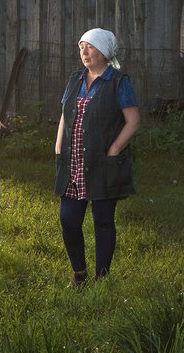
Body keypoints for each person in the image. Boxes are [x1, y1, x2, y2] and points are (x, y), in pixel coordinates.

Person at [54, 28, 141, 286]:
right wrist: (59, 145)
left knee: (103, 221)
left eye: (90, 46)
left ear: (104, 51)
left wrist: (114, 150)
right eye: (81, 46)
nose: (84, 52)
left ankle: (101, 277)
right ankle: (78, 274)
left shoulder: (118, 81)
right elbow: (64, 113)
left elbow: (133, 121)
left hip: (103, 162)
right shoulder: (75, 79)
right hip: (73, 163)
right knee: (68, 220)